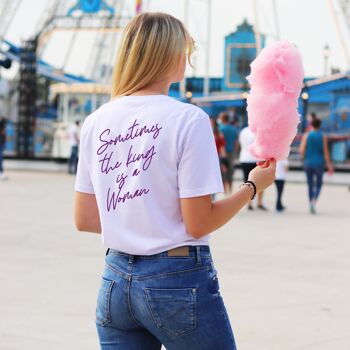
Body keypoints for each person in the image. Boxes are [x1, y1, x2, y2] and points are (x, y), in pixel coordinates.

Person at [74, 12, 276, 350]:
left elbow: (86, 219)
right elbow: (198, 223)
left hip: (114, 281)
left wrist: (137, 222)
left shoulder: (96, 121)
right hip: (176, 280)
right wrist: (253, 186)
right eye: (187, 49)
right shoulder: (188, 119)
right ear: (170, 55)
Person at [299, 118, 333, 214]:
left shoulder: (306, 135)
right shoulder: (323, 136)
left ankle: (310, 202)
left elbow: (301, 150)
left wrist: (303, 158)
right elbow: (326, 152)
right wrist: (329, 165)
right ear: (320, 125)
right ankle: (314, 201)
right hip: (319, 163)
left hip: (308, 162)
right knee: (318, 184)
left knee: (310, 184)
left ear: (311, 125)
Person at [238, 126, 268, 211]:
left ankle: (249, 203)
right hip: (255, 159)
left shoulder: (243, 131)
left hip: (244, 158)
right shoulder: (258, 132)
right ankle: (259, 202)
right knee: (260, 181)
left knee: (247, 182)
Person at [219, 112, 239, 194]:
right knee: (230, 171)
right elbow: (236, 143)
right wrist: (236, 154)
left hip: (222, 153)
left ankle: (225, 191)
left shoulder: (220, 129)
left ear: (222, 119)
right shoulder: (234, 129)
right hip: (231, 152)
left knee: (223, 171)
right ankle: (230, 190)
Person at [210, 117, 228, 197]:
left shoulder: (218, 133)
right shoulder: (201, 133)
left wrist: (224, 161)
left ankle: (213, 197)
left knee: (214, 177)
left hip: (216, 157)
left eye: (212, 123)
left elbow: (222, 148)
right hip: (205, 158)